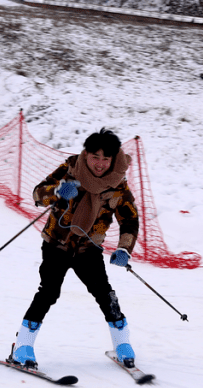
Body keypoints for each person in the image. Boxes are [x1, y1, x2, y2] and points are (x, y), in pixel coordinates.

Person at [9, 128, 141, 370]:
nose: (100, 164)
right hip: (56, 244)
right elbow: (38, 193)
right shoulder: (70, 170)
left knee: (105, 294)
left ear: (113, 159)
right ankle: (23, 347)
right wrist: (56, 192)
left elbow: (129, 219)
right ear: (86, 154)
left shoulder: (118, 185)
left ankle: (122, 344)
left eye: (106, 158)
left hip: (88, 249)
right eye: (95, 156)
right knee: (48, 292)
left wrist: (124, 249)